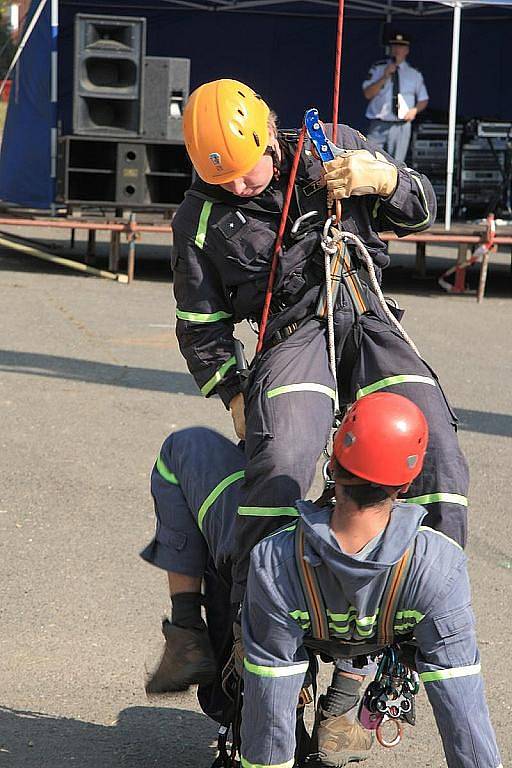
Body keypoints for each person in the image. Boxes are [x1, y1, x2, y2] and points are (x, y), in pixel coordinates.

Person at [168, 77, 468, 612]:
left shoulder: (334, 143)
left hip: (370, 318)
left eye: (245, 172)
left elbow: (420, 210)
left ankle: (429, 614)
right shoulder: (198, 217)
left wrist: (383, 180)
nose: (237, 187)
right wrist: (233, 392)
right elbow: (199, 322)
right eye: (224, 179)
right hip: (293, 338)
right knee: (280, 458)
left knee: (437, 448)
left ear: (267, 135)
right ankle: (255, 629)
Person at [141, 395, 501, 768]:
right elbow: (464, 717)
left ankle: (185, 627)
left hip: (292, 598)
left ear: (331, 463)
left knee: (181, 449)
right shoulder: (438, 565)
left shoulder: (274, 559)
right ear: (408, 482)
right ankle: (343, 703)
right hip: (384, 619)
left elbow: (269, 708)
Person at [363, 31, 429, 162]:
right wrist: (385, 76)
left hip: (401, 125)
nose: (397, 50)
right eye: (394, 46)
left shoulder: (413, 73)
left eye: (401, 47)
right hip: (379, 124)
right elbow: (368, 94)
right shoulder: (378, 68)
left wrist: (414, 110)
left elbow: (423, 99)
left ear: (407, 50)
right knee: (370, 161)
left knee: (397, 165)